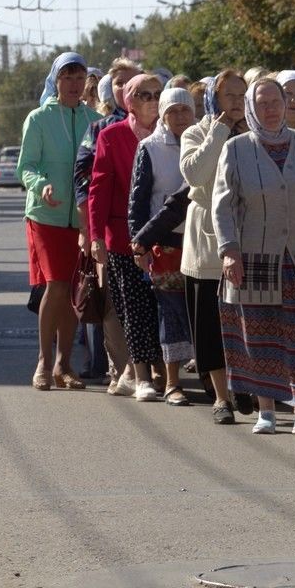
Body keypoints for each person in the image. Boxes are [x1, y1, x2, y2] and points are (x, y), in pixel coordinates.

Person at [212, 75, 295, 436]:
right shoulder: (236, 148)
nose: (271, 109)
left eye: (276, 101)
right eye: (262, 103)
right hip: (255, 257)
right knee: (260, 333)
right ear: (251, 108)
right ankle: (266, 411)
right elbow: (223, 205)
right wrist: (229, 250)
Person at [17, 52, 101, 388]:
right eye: (67, 77)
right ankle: (43, 360)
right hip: (45, 215)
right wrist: (42, 186)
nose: (74, 84)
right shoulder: (39, 119)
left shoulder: (95, 120)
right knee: (56, 284)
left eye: (80, 78)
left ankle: (64, 365)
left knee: (74, 290)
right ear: (56, 80)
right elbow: (26, 167)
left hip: (81, 219)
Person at [89, 73, 165, 402]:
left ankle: (152, 371)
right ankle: (141, 375)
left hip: (165, 236)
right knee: (132, 308)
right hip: (123, 237)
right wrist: (96, 236)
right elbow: (99, 189)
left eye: (158, 93)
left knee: (162, 307)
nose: (153, 100)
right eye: (145, 95)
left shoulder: (171, 133)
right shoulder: (111, 135)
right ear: (129, 102)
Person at [180, 68, 249, 424]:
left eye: (241, 95)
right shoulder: (196, 132)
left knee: (249, 320)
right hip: (207, 241)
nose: (237, 102)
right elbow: (195, 174)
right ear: (213, 99)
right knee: (211, 324)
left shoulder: (254, 132)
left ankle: (248, 385)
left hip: (248, 235)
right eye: (229, 96)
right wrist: (219, 131)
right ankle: (222, 397)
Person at [75, 57, 141, 395]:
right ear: (110, 89)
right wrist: (89, 229)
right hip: (113, 230)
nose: (127, 89)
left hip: (150, 230)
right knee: (114, 302)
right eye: (119, 83)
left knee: (148, 302)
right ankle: (120, 369)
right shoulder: (100, 129)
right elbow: (83, 179)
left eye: (133, 83)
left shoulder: (160, 126)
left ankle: (149, 369)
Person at [128, 87, 197, 406]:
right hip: (164, 243)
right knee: (170, 312)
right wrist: (139, 242)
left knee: (199, 312)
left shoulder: (205, 143)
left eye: (186, 110)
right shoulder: (150, 147)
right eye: (173, 111)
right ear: (163, 115)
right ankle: (172, 382)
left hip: (200, 241)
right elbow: (138, 200)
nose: (180, 117)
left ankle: (211, 379)